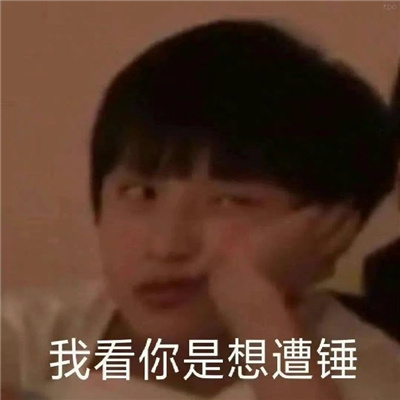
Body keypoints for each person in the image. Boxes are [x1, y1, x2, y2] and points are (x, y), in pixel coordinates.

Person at [2, 20, 399, 400]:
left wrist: (254, 307)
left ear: (332, 226)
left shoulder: (354, 362)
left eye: (229, 201)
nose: (167, 246)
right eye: (141, 193)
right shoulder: (48, 332)